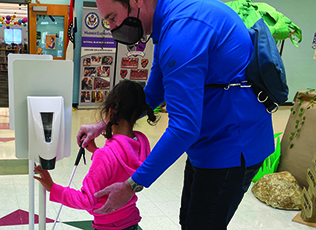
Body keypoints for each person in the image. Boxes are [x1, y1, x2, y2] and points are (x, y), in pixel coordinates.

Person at [77, 0, 274, 229]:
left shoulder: (182, 32)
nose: (112, 28)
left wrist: (131, 185)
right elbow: (151, 95)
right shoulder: (168, 24)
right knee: (189, 221)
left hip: (232, 146)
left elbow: (184, 128)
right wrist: (104, 124)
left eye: (112, 18)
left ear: (136, 1)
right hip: (207, 142)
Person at [34, 80, 158, 230]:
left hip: (107, 226)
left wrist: (53, 188)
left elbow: (86, 200)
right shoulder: (141, 142)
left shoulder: (106, 155)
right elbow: (120, 168)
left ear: (111, 110)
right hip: (131, 220)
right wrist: (96, 152)